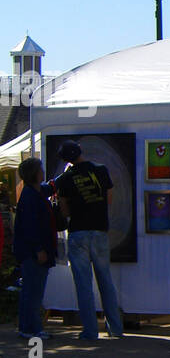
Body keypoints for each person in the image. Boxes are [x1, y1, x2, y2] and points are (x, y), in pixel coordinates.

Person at [53, 139, 124, 342]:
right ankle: (115, 328)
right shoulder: (100, 170)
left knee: (83, 284)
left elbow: (65, 210)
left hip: (78, 232)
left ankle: (90, 331)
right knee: (105, 281)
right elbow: (109, 198)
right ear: (80, 152)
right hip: (100, 230)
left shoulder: (66, 179)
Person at [12, 158, 57, 341]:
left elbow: (48, 188)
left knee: (30, 291)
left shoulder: (34, 192)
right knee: (34, 291)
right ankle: (33, 328)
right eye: (40, 169)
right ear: (35, 173)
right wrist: (39, 249)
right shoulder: (31, 196)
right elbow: (30, 226)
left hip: (32, 250)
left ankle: (26, 327)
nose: (43, 171)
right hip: (33, 252)